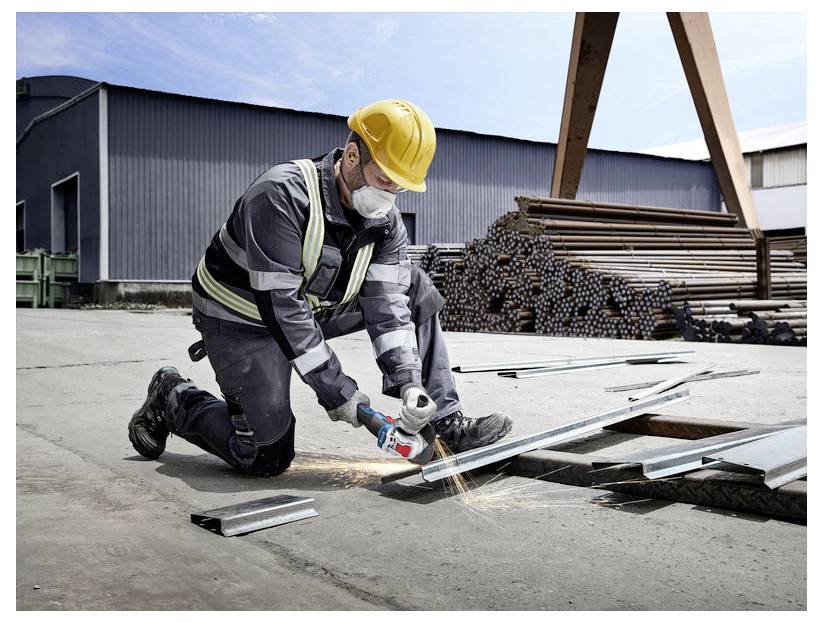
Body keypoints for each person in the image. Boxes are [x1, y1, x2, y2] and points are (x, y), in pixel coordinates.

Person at [128, 99, 512, 477]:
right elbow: (282, 309)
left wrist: (410, 382)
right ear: (350, 155)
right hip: (240, 318)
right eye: (382, 179)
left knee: (414, 286)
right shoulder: (282, 195)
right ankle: (172, 397)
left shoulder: (387, 221)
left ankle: (442, 421)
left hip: (310, 308)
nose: (388, 196)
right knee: (265, 456)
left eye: (399, 187)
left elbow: (388, 304)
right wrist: (340, 393)